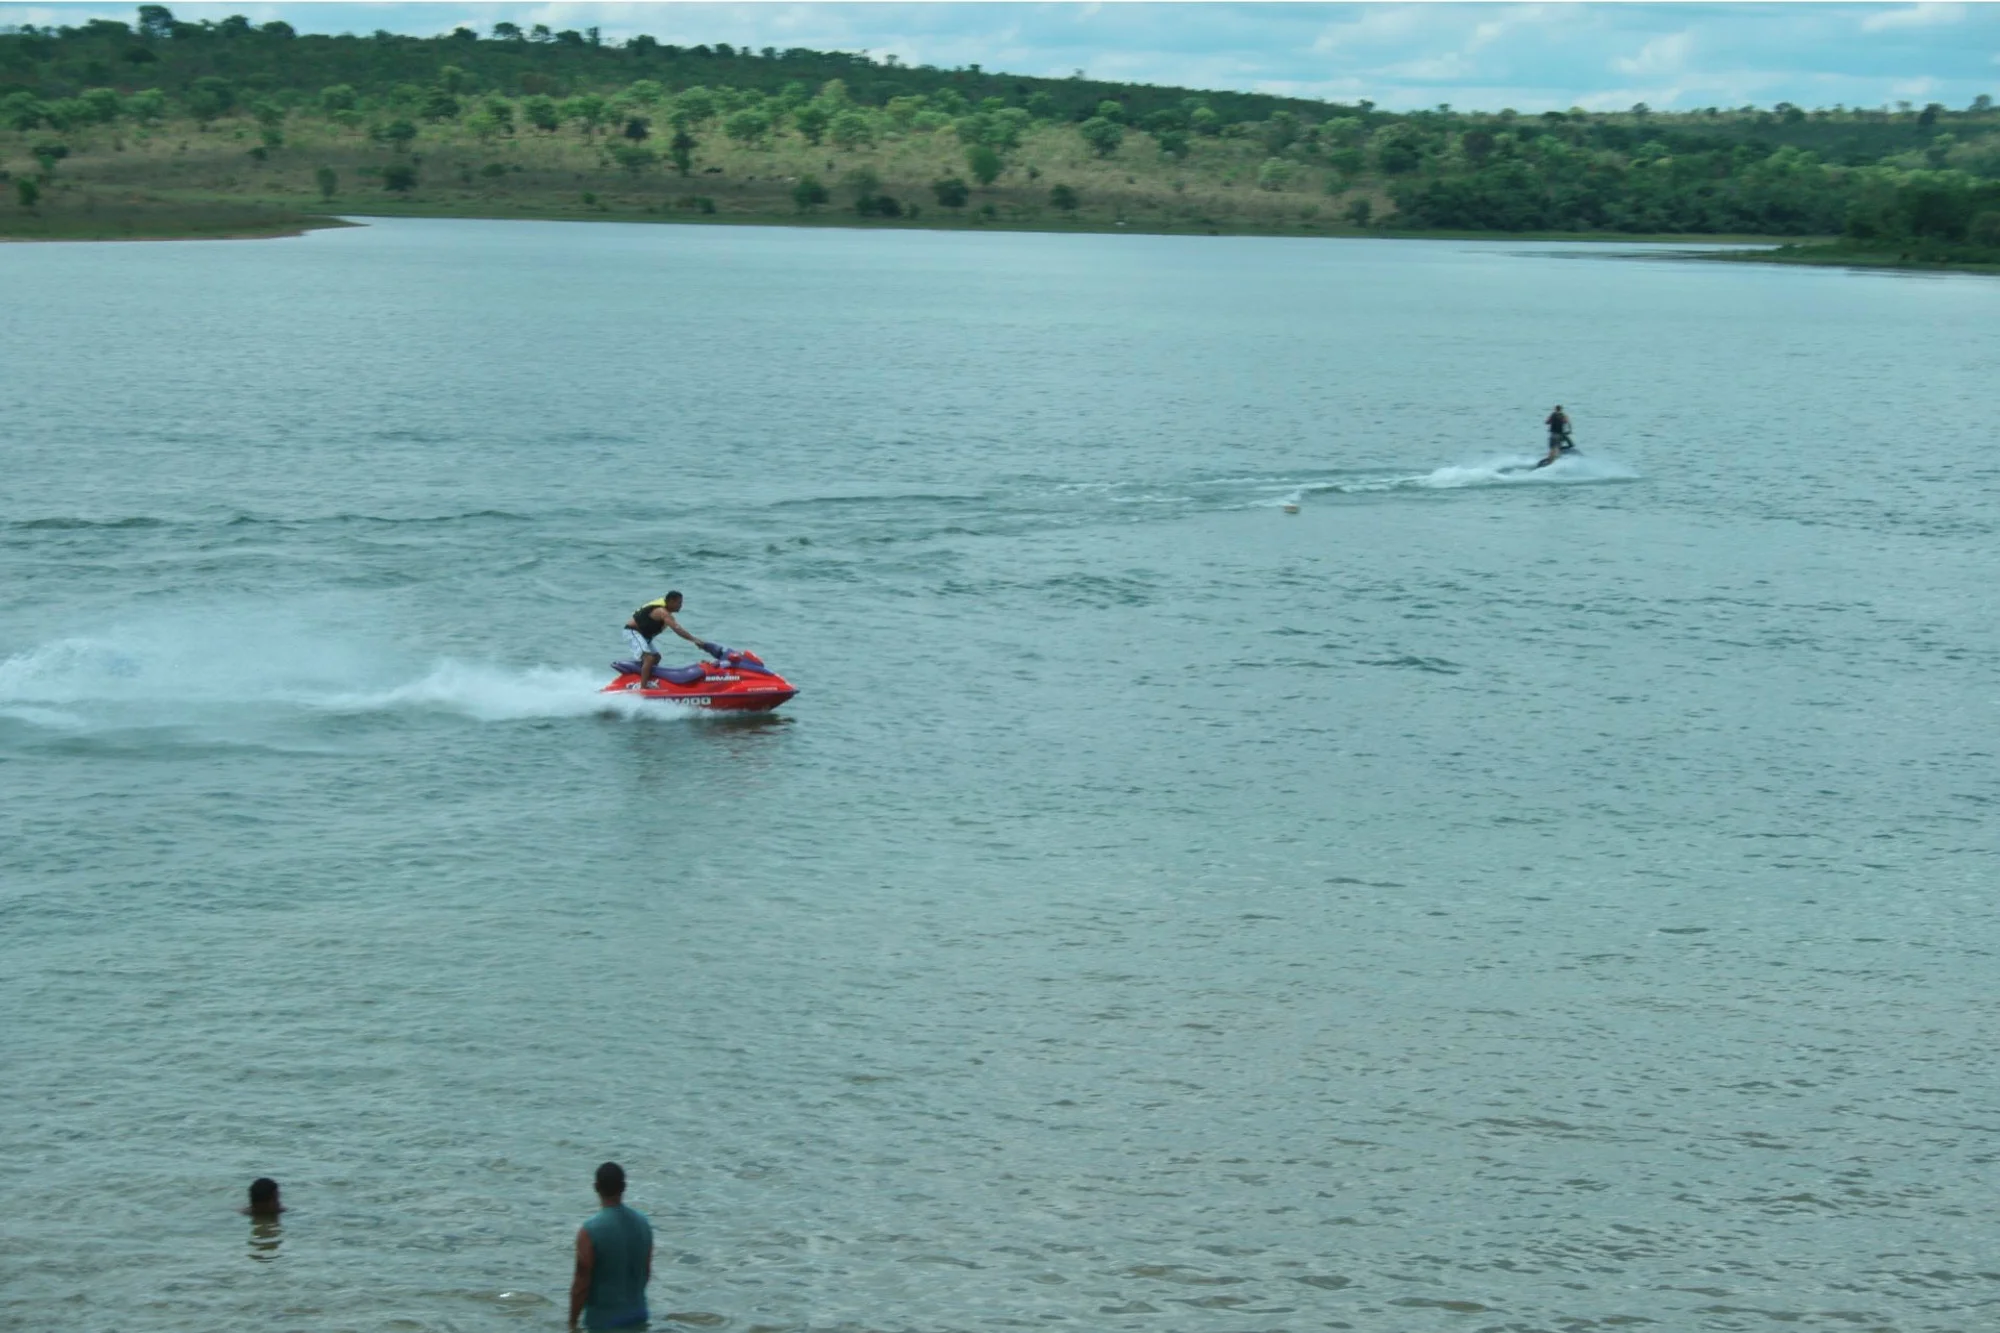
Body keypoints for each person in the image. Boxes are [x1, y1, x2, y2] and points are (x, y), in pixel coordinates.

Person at [570, 1162, 653, 1331]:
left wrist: (572, 1323)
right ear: (623, 1187)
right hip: (638, 1317)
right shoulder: (644, 1224)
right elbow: (646, 1272)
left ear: (596, 1187)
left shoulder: (589, 1231)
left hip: (603, 1323)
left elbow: (581, 1285)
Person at [624, 591, 704, 690]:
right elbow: (677, 629)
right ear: (671, 601)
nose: (681, 606)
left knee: (657, 657)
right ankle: (643, 688)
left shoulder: (667, 614)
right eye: (679, 603)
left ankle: (646, 680)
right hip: (633, 632)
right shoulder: (662, 612)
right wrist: (694, 640)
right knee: (649, 659)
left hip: (644, 636)